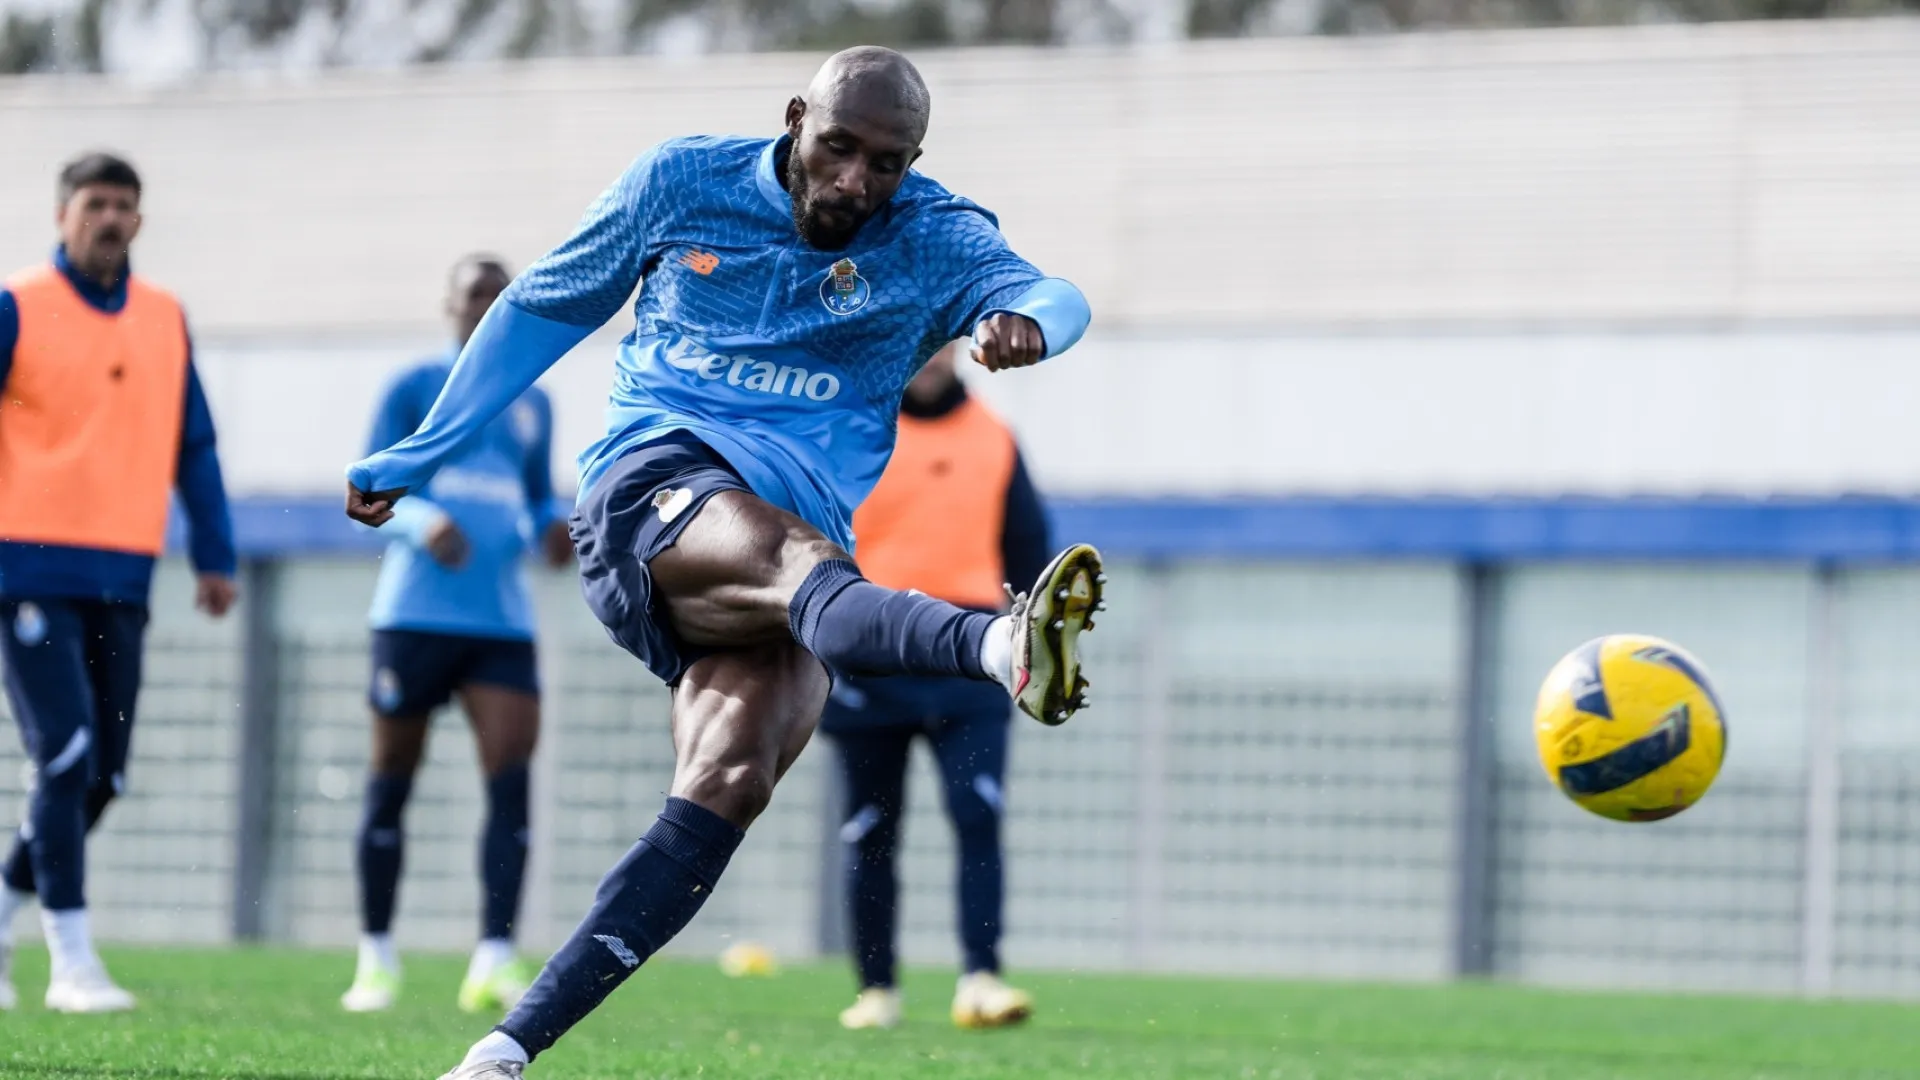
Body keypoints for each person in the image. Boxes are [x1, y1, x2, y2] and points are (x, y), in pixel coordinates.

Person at [344, 46, 1100, 1080]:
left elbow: (1053, 292)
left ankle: (502, 1051)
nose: (855, 183)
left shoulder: (933, 232)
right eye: (838, 149)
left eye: (886, 163)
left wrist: (1030, 325)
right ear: (795, 117)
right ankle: (1001, 643)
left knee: (729, 781)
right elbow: (545, 306)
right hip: (652, 489)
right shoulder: (681, 182)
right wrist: (423, 448)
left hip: (786, 543)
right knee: (804, 570)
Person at [0, 152, 238, 1014]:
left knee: (104, 775)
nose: (110, 218)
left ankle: (4, 903)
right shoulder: (17, 304)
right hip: (25, 567)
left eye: (124, 206)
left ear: (139, 220)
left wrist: (215, 554)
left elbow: (196, 444)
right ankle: (71, 964)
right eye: (95, 203)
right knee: (62, 754)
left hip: (124, 573)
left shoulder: (165, 317)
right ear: (62, 213)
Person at [340, 255, 573, 1016]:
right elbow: (374, 485)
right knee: (390, 784)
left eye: (498, 295)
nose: (484, 306)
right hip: (413, 615)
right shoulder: (412, 386)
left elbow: (535, 497)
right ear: (450, 304)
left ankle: (494, 958)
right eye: (474, 293)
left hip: (500, 620)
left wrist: (552, 530)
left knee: (510, 784)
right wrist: (419, 520)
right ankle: (374, 957)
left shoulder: (533, 400)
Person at [826, 343, 1050, 1031]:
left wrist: (1032, 646)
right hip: (871, 661)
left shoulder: (994, 437)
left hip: (969, 665)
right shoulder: (851, 432)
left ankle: (980, 977)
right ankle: (876, 989)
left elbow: (1030, 554)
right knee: (869, 831)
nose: (929, 356)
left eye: (942, 341)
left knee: (978, 818)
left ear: (959, 347)